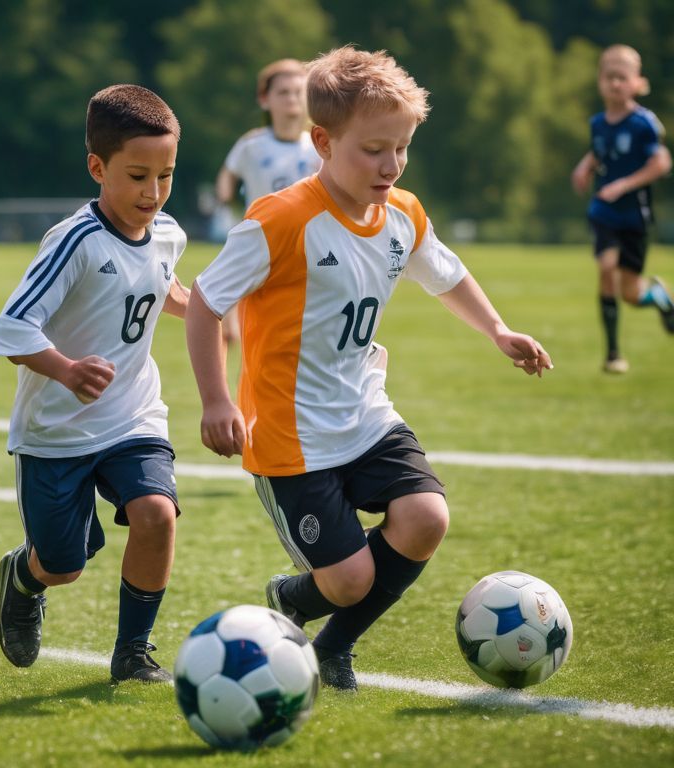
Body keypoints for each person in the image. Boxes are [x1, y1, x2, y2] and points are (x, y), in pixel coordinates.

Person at [184, 47, 553, 692]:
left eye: (402, 148)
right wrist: (217, 400)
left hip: (365, 413)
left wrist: (497, 328)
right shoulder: (281, 219)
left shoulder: (402, 213)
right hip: (290, 436)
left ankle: (333, 647)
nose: (392, 165)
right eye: (374, 150)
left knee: (426, 519)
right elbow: (206, 303)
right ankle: (296, 595)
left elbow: (447, 274)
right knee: (348, 579)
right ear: (322, 142)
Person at [0, 84, 190, 683]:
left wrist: (216, 309)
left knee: (158, 513)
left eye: (166, 175)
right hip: (56, 431)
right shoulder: (74, 241)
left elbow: (163, 289)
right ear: (97, 168)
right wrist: (68, 370)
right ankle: (24, 579)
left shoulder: (168, 234)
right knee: (65, 563)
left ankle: (133, 652)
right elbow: (12, 329)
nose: (152, 194)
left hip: (132, 416)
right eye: (137, 176)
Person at [569, 44, 674, 374]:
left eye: (622, 78)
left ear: (637, 82)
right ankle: (613, 355)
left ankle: (658, 297)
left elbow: (661, 162)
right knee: (606, 269)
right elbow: (602, 151)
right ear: (600, 81)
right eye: (609, 77)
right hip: (604, 213)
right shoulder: (598, 123)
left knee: (630, 293)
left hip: (634, 216)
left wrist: (624, 185)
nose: (615, 84)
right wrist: (585, 166)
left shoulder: (644, 124)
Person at [212, 59, 323, 345]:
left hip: (307, 243)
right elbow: (228, 174)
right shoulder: (252, 144)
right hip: (260, 238)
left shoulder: (317, 145)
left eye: (298, 91)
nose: (291, 98)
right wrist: (224, 199)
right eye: (283, 92)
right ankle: (229, 331)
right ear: (265, 99)